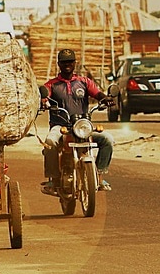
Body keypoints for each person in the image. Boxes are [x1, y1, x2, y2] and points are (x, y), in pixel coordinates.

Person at [42, 49, 115, 194]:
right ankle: (53, 179)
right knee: (50, 142)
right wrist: (43, 101)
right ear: (59, 64)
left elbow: (97, 93)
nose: (67, 65)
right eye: (64, 62)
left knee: (108, 139)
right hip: (61, 126)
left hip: (82, 126)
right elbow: (45, 96)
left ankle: (99, 176)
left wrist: (105, 98)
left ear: (75, 63)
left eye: (70, 61)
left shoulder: (84, 82)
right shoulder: (52, 85)